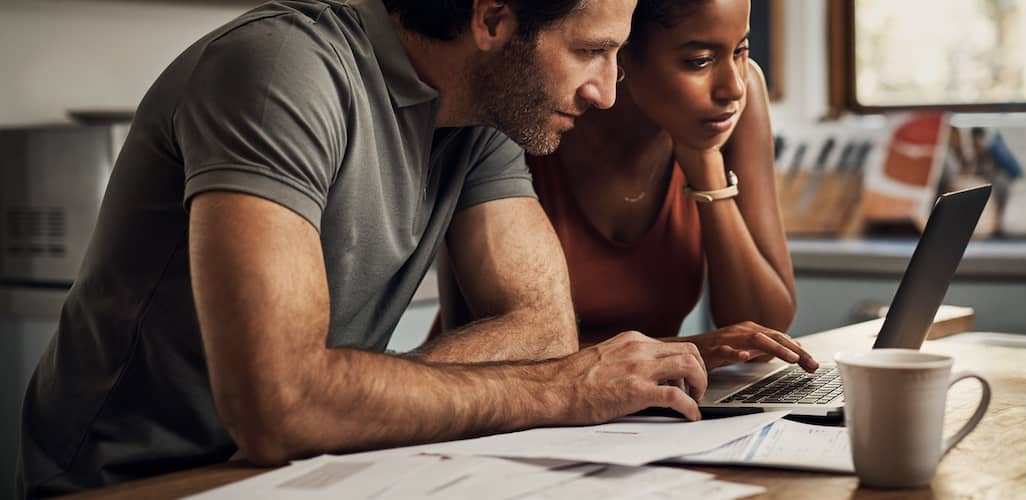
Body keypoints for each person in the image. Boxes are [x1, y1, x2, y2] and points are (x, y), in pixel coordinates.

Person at [16, 0, 722, 496]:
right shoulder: (278, 71)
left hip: (294, 472)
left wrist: (348, 401)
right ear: (492, 18)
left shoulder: (483, 114)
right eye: (590, 50)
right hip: (137, 484)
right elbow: (282, 406)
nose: (604, 91)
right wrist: (562, 391)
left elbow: (541, 332)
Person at [435, 0, 817, 372]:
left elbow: (764, 333)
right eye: (699, 61)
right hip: (506, 405)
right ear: (622, 50)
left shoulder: (733, 104)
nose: (732, 87)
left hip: (638, 411)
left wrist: (705, 164)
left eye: (741, 50)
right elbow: (486, 341)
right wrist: (685, 350)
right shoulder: (532, 115)